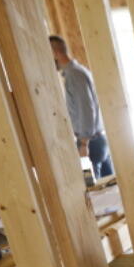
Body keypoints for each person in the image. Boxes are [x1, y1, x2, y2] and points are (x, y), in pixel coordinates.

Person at [49, 35, 112, 179]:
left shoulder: (74, 75)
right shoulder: (78, 71)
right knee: (112, 191)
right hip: (97, 141)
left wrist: (84, 143)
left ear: (55, 53)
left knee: (98, 196)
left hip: (91, 143)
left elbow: (86, 109)